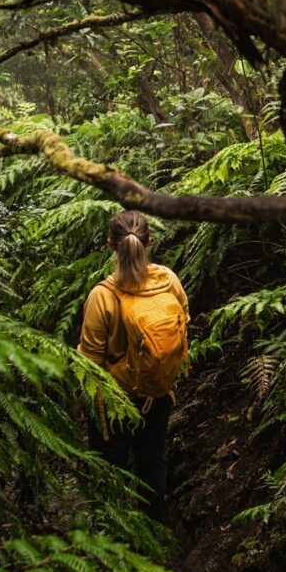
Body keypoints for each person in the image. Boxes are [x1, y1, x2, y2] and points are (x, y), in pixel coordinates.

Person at [77, 209, 189, 518]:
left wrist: (84, 401)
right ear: (150, 241)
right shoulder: (168, 280)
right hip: (158, 392)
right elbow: (183, 322)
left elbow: (90, 360)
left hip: (113, 400)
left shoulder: (103, 295)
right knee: (152, 463)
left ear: (109, 245)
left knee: (108, 467)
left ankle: (110, 537)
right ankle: (154, 537)